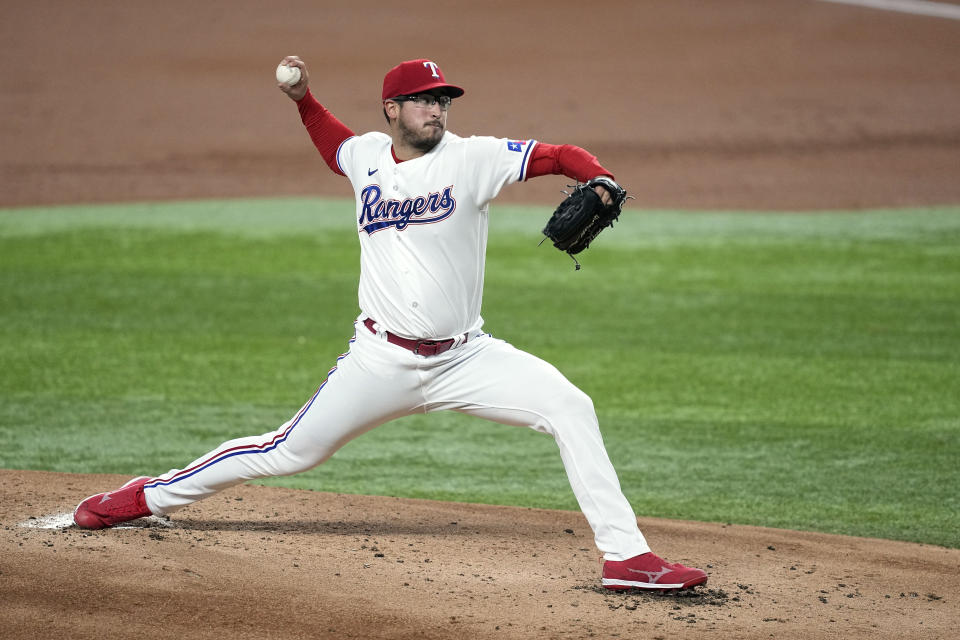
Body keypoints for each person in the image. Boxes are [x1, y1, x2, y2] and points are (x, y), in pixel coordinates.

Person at [73, 56, 708, 592]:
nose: (438, 109)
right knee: (287, 452)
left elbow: (556, 154)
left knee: (571, 406)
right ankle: (147, 495)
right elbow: (332, 145)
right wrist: (302, 97)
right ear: (392, 110)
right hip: (378, 361)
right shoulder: (367, 157)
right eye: (425, 101)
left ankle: (625, 556)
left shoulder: (474, 158)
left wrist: (596, 176)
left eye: (443, 101)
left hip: (466, 358)